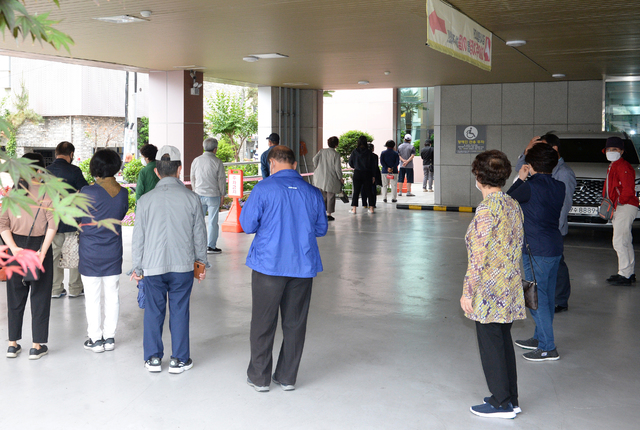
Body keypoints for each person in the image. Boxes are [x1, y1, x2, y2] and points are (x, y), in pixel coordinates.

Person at [240, 145, 327, 392]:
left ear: (271, 164)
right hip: (302, 266)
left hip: (269, 266)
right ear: (295, 165)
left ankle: (259, 378)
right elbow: (321, 229)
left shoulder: (263, 188)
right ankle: (287, 377)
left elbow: (247, 225)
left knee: (262, 322)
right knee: (295, 323)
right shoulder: (312, 192)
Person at [130, 145, 209, 374]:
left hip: (152, 267)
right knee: (180, 310)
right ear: (179, 169)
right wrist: (200, 265)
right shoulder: (192, 198)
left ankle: (153, 358)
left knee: (153, 311)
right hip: (183, 266)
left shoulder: (144, 200)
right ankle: (180, 359)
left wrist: (138, 267)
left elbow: (139, 238)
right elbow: (199, 236)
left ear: (156, 171)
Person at [461, 150, 525, 420]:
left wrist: (468, 292)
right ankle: (510, 397)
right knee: (502, 342)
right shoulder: (512, 204)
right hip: (509, 286)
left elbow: (478, 258)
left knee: (490, 345)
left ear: (478, 176)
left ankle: (500, 403)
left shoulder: (487, 210)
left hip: (489, 290)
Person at [508, 143, 565, 362]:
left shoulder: (530, 186)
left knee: (536, 299)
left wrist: (521, 178)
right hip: (553, 246)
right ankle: (540, 338)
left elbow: (506, 201)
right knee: (547, 296)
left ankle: (548, 347)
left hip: (535, 250)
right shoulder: (559, 186)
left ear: (530, 165)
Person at [1, 153, 57, 360]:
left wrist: (14, 248)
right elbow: (53, 224)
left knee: (15, 296)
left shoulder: (11, 195)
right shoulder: (47, 194)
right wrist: (42, 251)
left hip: (15, 247)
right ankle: (36, 346)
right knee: (40, 296)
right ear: (41, 170)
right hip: (38, 246)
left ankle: (12, 344)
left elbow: (2, 225)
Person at [515, 134, 576, 312]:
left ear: (553, 150)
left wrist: (553, 227)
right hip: (542, 236)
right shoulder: (542, 178)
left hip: (543, 235)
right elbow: (522, 169)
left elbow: (564, 205)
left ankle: (559, 302)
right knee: (543, 287)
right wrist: (526, 151)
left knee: (536, 296)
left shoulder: (562, 173)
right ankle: (546, 320)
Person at [79, 149, 129, 352]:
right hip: (113, 251)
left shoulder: (87, 192)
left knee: (92, 297)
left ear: (95, 168)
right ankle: (109, 337)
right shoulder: (123, 193)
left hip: (90, 251)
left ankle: (95, 339)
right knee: (112, 295)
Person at [47, 141, 88, 299]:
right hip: (72, 219)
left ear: (56, 153)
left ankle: (55, 289)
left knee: (54, 255)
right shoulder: (74, 170)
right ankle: (75, 288)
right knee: (74, 254)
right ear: (71, 154)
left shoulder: (46, 171)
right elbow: (84, 190)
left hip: (52, 221)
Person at [603, 136, 639, 286]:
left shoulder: (622, 167)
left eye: (615, 149)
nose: (611, 152)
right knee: (625, 240)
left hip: (624, 206)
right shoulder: (615, 165)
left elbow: (628, 190)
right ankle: (627, 272)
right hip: (623, 206)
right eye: (609, 149)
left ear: (622, 151)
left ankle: (624, 274)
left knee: (619, 241)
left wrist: (618, 203)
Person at [190, 137, 227, 254]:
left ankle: (198, 246)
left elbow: (192, 177)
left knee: (199, 222)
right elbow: (221, 179)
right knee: (212, 222)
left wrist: (195, 190)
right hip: (213, 195)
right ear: (215, 149)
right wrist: (222, 194)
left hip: (199, 194)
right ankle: (211, 246)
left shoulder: (196, 160)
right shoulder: (217, 162)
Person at [312, 136, 343, 221]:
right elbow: (337, 168)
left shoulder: (322, 151)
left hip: (320, 177)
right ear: (336, 145)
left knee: (322, 196)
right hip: (331, 177)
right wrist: (340, 178)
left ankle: (321, 213)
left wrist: (317, 167)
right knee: (330, 196)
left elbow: (314, 159)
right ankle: (329, 214)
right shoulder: (336, 154)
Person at [348, 136, 376, 214]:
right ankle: (371, 209)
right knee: (369, 191)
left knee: (356, 191)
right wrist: (373, 175)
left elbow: (350, 163)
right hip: (367, 173)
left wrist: (355, 166)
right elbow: (373, 165)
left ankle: (354, 209)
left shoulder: (355, 151)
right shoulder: (369, 152)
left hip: (357, 173)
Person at [367, 143, 382, 209]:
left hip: (366, 174)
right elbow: (375, 166)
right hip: (374, 174)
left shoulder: (364, 156)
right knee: (373, 189)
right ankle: (373, 203)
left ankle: (365, 203)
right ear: (373, 149)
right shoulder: (375, 156)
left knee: (365, 189)